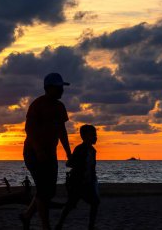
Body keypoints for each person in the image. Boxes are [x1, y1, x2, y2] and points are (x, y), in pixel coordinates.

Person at [21, 73, 72, 230]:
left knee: (49, 192)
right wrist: (38, 151)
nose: (61, 90)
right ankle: (45, 226)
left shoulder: (60, 107)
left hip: (50, 153)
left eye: (62, 87)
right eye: (58, 87)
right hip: (33, 153)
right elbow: (29, 129)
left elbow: (62, 131)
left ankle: (27, 216)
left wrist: (69, 153)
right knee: (43, 190)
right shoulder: (37, 105)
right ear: (48, 88)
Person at [55, 124, 100, 230]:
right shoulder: (80, 149)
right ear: (84, 136)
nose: (95, 137)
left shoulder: (93, 151)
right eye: (92, 135)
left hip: (87, 183)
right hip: (77, 183)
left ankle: (90, 226)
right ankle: (60, 224)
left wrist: (93, 180)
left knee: (94, 202)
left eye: (95, 135)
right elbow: (70, 163)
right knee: (71, 204)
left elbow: (92, 168)